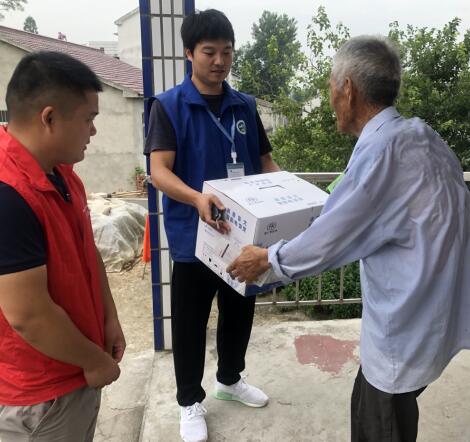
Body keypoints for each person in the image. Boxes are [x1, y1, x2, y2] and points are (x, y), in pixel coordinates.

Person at [227, 35, 470, 442]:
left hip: (402, 331)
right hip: (429, 317)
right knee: (390, 412)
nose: (330, 99)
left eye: (331, 88)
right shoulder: (423, 137)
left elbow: (330, 239)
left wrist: (266, 260)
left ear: (347, 89)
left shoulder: (382, 153)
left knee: (381, 422)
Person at [145, 9, 279, 442]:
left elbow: (265, 162)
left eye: (227, 51)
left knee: (239, 312)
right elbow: (159, 171)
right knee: (189, 323)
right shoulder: (168, 107)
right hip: (194, 237)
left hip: (242, 236)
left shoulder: (245, 106)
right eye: (209, 52)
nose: (219, 61)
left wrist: (288, 194)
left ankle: (230, 379)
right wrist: (197, 198)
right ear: (189, 53)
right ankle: (189, 401)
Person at [0, 51, 125, 441]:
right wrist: (95, 361)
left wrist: (109, 319)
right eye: (88, 119)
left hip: (78, 368)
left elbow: (87, 253)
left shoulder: (63, 175)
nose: (93, 131)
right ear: (49, 118)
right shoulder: (9, 196)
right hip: (42, 396)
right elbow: (28, 315)